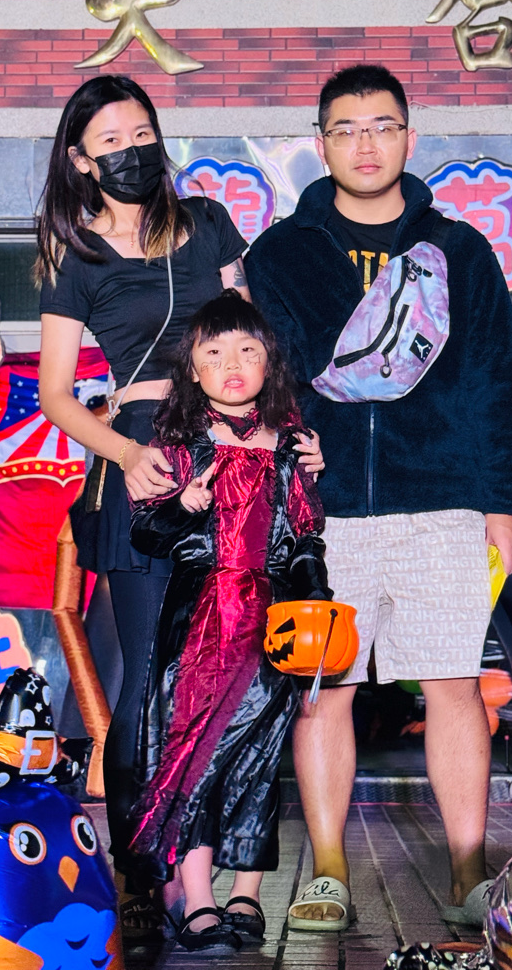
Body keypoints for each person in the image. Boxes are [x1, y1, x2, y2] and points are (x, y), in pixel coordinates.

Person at [35, 74, 322, 940]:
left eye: (142, 134)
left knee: (240, 679)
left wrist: (292, 436)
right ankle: (143, 876)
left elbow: (251, 339)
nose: (132, 151)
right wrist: (126, 455)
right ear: (81, 160)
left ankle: (218, 878)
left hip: (235, 456)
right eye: (111, 142)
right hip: (145, 461)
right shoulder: (76, 257)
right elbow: (56, 395)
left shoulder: (205, 221)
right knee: (145, 687)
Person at [246, 64, 512, 931]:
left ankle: (469, 872)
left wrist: (501, 500)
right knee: (322, 690)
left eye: (382, 126)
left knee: (453, 683)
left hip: (443, 500)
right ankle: (328, 872)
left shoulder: (459, 250)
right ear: (320, 143)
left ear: (410, 136)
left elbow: (496, 379)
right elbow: (267, 378)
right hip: (324, 515)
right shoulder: (281, 255)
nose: (365, 144)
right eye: (346, 128)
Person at [127, 290, 331, 952]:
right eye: (214, 353)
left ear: (270, 362)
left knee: (260, 756)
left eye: (247, 350)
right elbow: (146, 534)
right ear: (192, 368)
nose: (233, 364)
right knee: (192, 753)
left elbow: (306, 535)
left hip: (272, 623)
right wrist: (181, 505)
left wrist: (316, 599)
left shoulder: (291, 446)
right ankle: (197, 898)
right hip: (200, 621)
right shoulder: (181, 445)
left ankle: (246, 893)